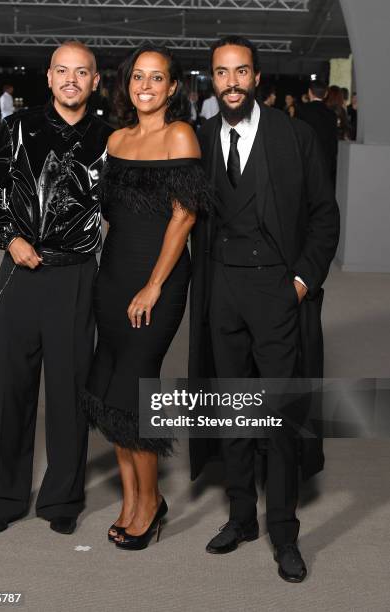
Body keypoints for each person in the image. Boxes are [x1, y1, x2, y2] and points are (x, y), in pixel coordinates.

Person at [188, 36, 340, 582]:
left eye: (241, 72)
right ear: (211, 79)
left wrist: (299, 283)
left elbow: (325, 217)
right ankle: (240, 517)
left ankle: (283, 531)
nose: (231, 82)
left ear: (257, 78)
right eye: (221, 73)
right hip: (221, 290)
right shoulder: (200, 138)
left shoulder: (294, 136)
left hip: (277, 291)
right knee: (232, 409)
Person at [0, 41, 112, 536]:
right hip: (20, 272)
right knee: (13, 389)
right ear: (49, 78)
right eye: (62, 71)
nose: (71, 79)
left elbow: (122, 210)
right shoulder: (17, 128)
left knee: (70, 393)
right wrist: (9, 239)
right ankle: (5, 495)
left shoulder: (109, 140)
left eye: (82, 72)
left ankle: (62, 500)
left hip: (76, 276)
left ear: (96, 81)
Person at [81, 42, 212, 551]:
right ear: (126, 84)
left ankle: (151, 503)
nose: (146, 87)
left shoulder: (180, 135)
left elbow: (185, 217)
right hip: (112, 276)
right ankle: (131, 500)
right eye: (139, 77)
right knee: (109, 388)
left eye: (157, 78)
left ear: (173, 87)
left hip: (156, 280)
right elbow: (110, 213)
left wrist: (155, 284)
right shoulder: (116, 139)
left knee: (136, 391)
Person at [298, 79, 338, 186]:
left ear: (309, 92)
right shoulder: (332, 114)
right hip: (326, 162)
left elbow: (299, 137)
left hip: (306, 161)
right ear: (325, 94)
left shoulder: (303, 110)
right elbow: (333, 142)